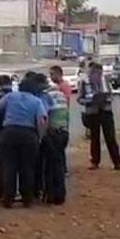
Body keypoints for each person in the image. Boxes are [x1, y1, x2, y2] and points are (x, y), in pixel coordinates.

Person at [0, 80, 47, 208]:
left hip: (8, 133)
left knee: (9, 167)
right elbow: (41, 120)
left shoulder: (11, 96)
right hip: (28, 135)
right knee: (27, 168)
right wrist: (39, 136)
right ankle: (27, 198)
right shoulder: (36, 101)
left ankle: (8, 198)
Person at [77, 63, 120, 170]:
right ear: (91, 73)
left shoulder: (105, 81)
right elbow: (80, 99)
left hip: (106, 111)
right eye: (95, 73)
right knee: (94, 138)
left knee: (111, 137)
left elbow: (111, 95)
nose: (97, 76)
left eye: (99, 73)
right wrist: (91, 101)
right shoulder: (84, 83)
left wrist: (106, 99)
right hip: (92, 112)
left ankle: (117, 162)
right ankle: (95, 161)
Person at [43, 70, 70, 204]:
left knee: (50, 166)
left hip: (52, 133)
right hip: (63, 132)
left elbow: (44, 116)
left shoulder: (47, 97)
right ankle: (61, 195)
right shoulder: (62, 96)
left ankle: (51, 195)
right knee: (59, 164)